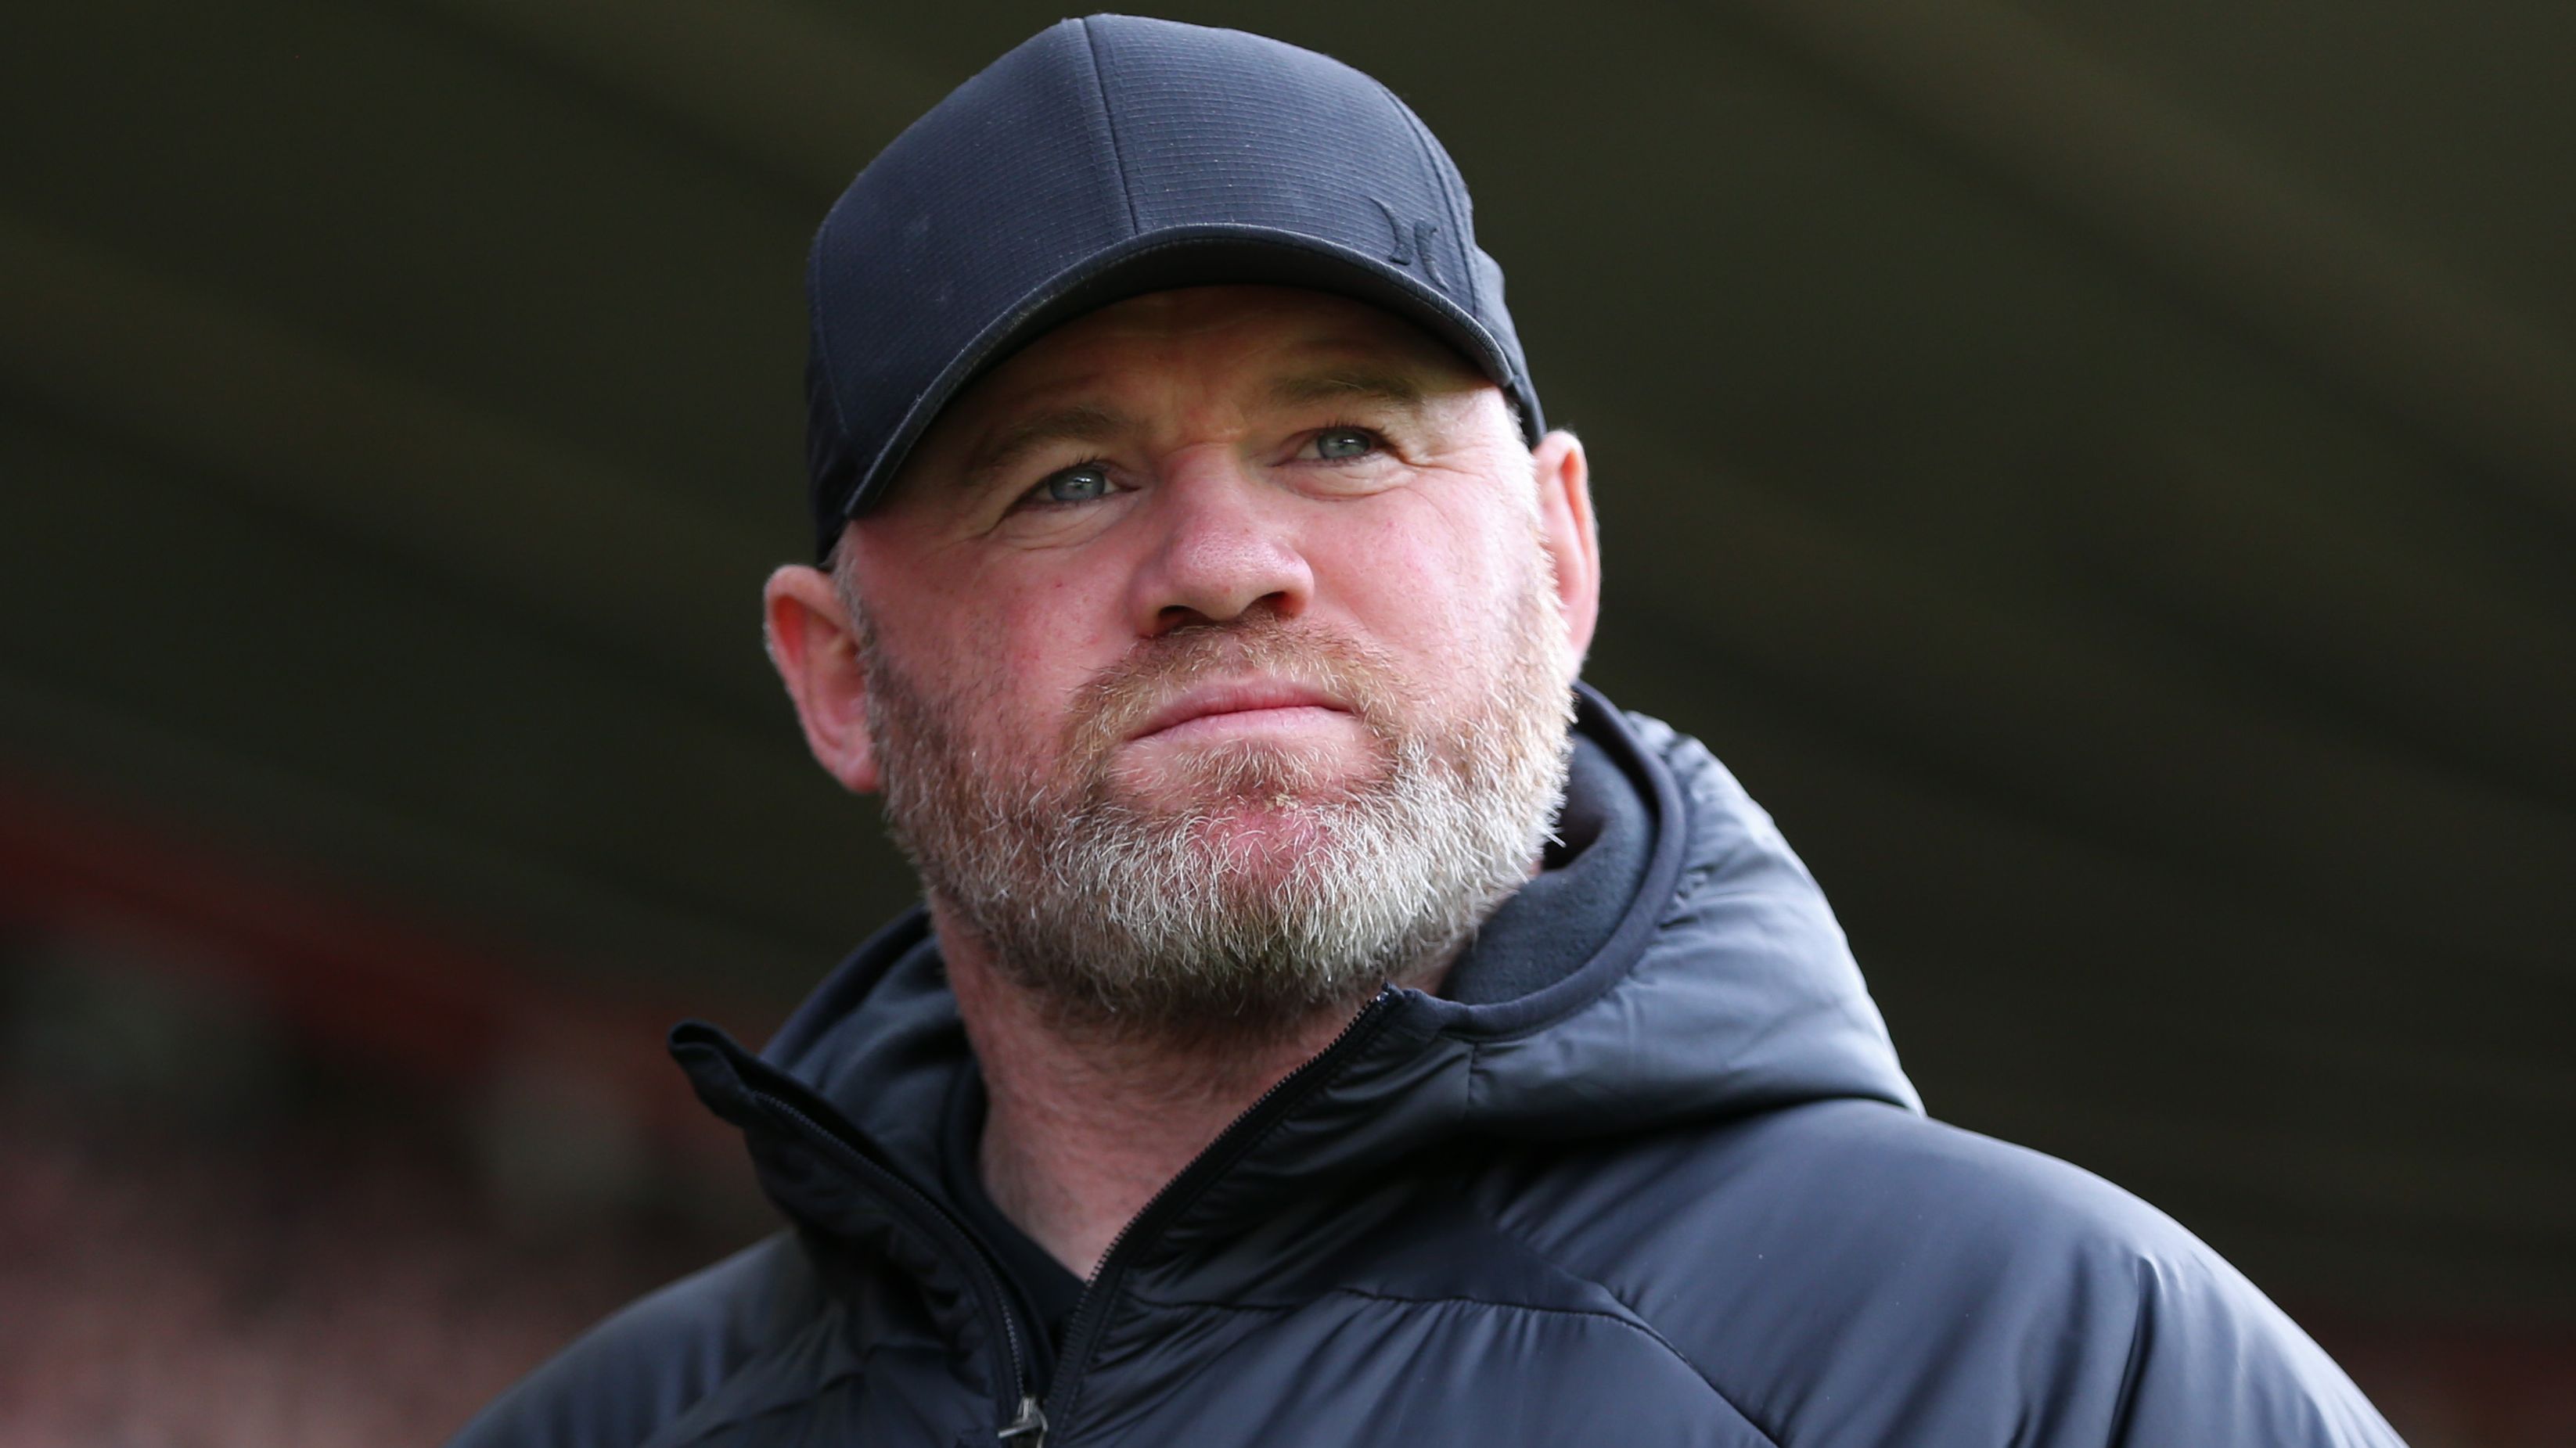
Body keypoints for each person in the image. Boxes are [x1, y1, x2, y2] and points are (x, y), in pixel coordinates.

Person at [452, 16, 2402, 1446]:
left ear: (1558, 551)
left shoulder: (2041, 1364)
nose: (1224, 564)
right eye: (1065, 478)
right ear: (838, 675)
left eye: (1339, 437)